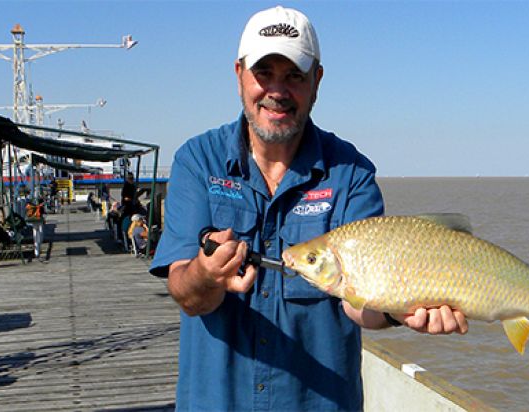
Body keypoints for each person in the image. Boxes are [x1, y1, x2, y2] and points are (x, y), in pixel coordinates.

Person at [150, 6, 467, 411]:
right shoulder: (198, 161)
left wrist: (399, 313)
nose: (277, 91)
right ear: (239, 75)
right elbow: (187, 294)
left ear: (317, 80)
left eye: (294, 76)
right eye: (264, 73)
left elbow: (357, 304)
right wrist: (206, 274)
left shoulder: (351, 174)